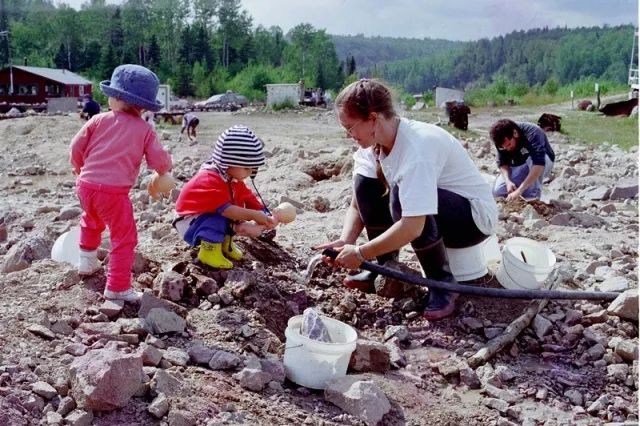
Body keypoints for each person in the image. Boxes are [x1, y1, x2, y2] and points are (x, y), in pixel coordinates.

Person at [315, 79, 498, 320]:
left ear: (373, 118)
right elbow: (358, 203)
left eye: (350, 127)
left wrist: (360, 253)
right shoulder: (373, 145)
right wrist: (345, 241)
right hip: (438, 213)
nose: (349, 135)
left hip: (471, 221)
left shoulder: (416, 148)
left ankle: (441, 284)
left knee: (402, 196)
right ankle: (385, 268)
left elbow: (413, 226)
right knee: (365, 184)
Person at [70, 64, 172, 302]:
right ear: (143, 106)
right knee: (124, 237)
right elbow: (159, 161)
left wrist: (78, 167)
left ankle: (86, 262)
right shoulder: (145, 129)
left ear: (115, 98)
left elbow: (76, 145)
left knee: (91, 219)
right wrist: (164, 170)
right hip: (113, 193)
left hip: (85, 185)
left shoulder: (97, 120)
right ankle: (117, 286)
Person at [173, 125, 277, 269]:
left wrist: (264, 213)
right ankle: (209, 251)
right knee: (220, 217)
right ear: (227, 162)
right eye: (246, 167)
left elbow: (249, 197)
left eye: (253, 168)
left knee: (232, 211)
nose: (250, 171)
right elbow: (227, 211)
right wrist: (252, 217)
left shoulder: (232, 179)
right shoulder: (209, 179)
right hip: (189, 221)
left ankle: (224, 245)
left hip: (203, 218)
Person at [489, 119, 555, 202]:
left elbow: (539, 164)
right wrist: (508, 181)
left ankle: (532, 199)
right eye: (503, 147)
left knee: (526, 191)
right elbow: (503, 163)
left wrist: (519, 191)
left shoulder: (533, 132)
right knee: (498, 192)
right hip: (519, 164)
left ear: (515, 133)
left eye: (509, 144)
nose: (507, 149)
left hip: (543, 162)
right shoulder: (499, 139)